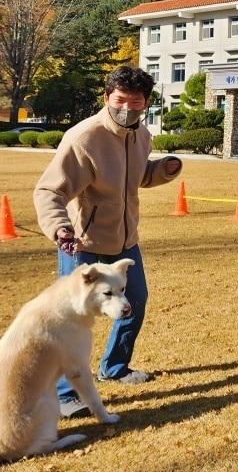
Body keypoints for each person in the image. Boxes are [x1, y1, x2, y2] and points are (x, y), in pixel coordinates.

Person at [34, 66, 182, 417]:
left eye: (136, 102)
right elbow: (49, 190)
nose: (127, 108)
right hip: (82, 243)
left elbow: (135, 176)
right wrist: (60, 228)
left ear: (146, 103)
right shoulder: (84, 137)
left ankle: (114, 367)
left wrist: (163, 170)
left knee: (135, 303)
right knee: (71, 319)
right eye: (120, 100)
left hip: (125, 241)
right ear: (106, 98)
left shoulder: (140, 135)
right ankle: (66, 392)